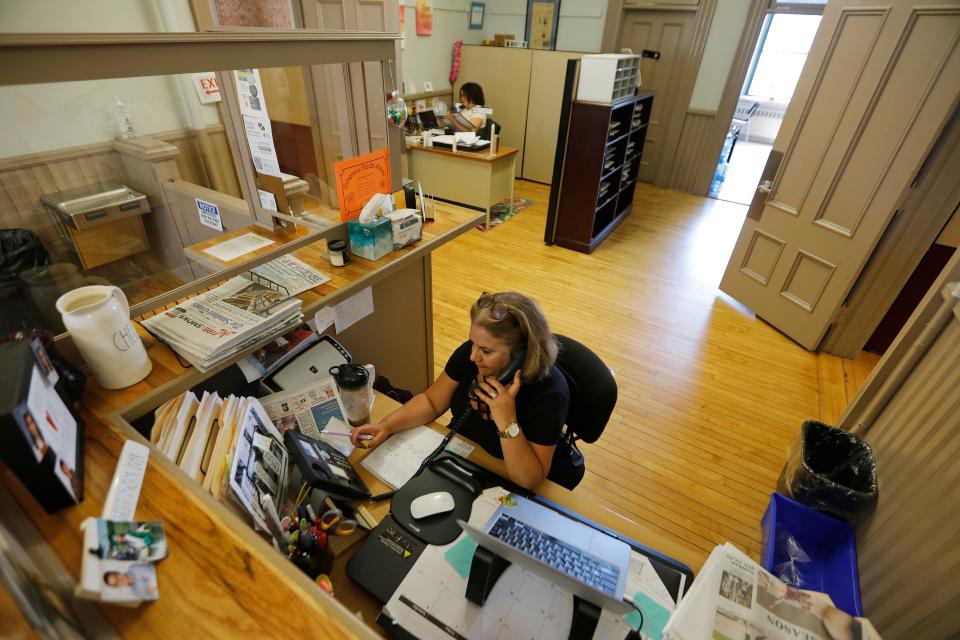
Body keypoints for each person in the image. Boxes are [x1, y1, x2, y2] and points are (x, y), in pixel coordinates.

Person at [351, 292, 569, 490]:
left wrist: (507, 421)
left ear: (522, 354)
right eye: (473, 343)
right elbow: (431, 402)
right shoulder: (471, 355)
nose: (474, 356)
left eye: (486, 350)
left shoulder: (549, 392)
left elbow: (529, 480)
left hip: (507, 474)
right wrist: (385, 425)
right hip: (463, 455)